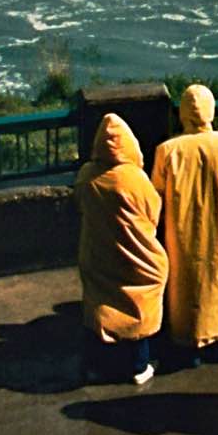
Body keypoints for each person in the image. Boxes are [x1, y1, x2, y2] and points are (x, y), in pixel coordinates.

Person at [151, 83, 218, 364]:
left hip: (181, 238)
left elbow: (154, 202)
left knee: (187, 292)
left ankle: (188, 346)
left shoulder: (166, 151)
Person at [74, 112, 168, 386]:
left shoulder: (87, 177)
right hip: (137, 257)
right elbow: (153, 213)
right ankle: (138, 365)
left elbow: (80, 204)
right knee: (138, 308)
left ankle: (97, 364)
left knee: (102, 306)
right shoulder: (136, 179)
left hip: (99, 254)